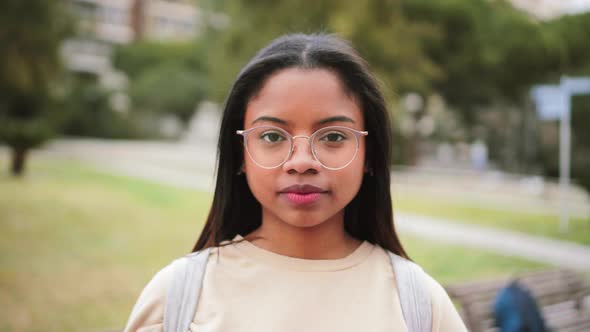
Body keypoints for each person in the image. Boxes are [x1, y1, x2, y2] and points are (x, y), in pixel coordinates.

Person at [124, 33, 467, 332]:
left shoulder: (419, 303)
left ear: (369, 154)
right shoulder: (178, 297)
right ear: (240, 153)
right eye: (272, 135)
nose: (302, 162)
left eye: (333, 136)